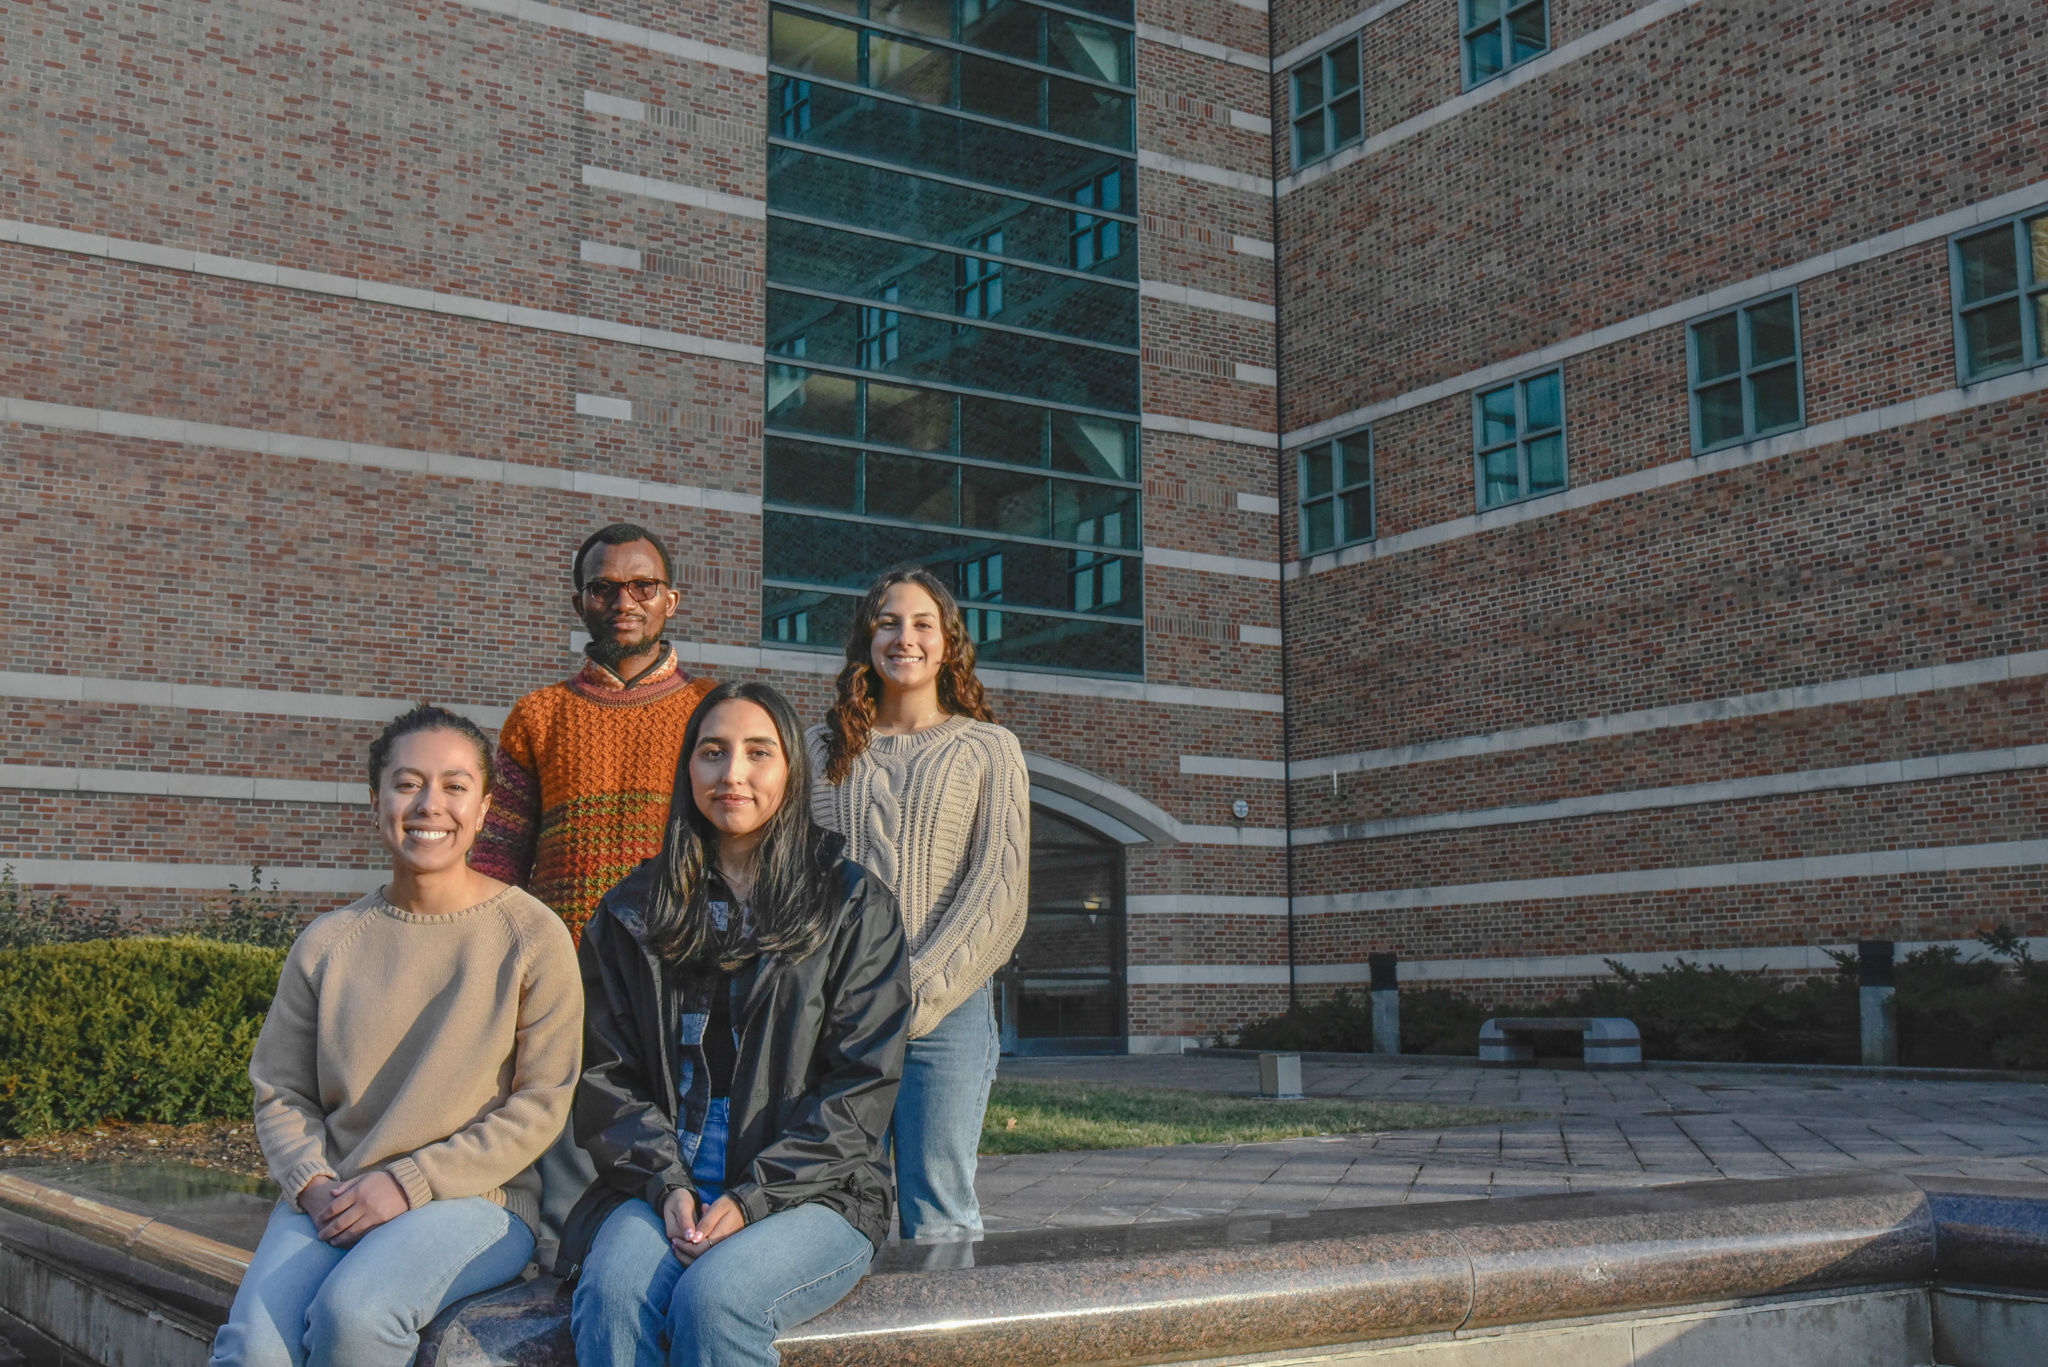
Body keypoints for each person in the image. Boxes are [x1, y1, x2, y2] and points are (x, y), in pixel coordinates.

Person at [210, 705, 582, 1367]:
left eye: (454, 785)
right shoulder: (326, 943)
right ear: (376, 798)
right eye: (407, 783)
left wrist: (408, 1182)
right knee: (252, 1350)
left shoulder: (531, 936)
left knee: (355, 1314)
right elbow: (281, 1091)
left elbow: (542, 1103)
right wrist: (310, 1181)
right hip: (336, 1194)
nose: (429, 804)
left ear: (485, 806)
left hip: (478, 1200)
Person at [563, 681, 911, 1367]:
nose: (733, 774)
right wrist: (669, 1183)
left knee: (716, 1298)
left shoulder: (850, 904)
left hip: (815, 1183)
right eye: (713, 752)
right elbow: (606, 1076)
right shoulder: (633, 908)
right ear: (688, 767)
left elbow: (862, 1085)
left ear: (790, 769)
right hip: (666, 1174)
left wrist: (754, 1198)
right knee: (613, 1290)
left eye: (759, 752)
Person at [471, 522, 717, 1243]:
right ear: (579, 602)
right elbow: (497, 861)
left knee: (681, 1144)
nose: (623, 600)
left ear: (671, 599)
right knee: (570, 1155)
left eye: (642, 585)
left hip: (682, 966)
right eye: (604, 587)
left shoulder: (712, 708)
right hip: (562, 974)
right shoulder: (538, 715)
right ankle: (564, 1283)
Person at [809, 568, 1029, 1241]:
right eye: (888, 622)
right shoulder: (821, 750)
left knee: (938, 1210)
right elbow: (801, 879)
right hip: (838, 1013)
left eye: (921, 623)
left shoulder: (988, 749)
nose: (904, 636)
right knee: (842, 1202)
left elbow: (1000, 891)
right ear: (865, 639)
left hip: (950, 1010)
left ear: (947, 642)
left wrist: (909, 995)